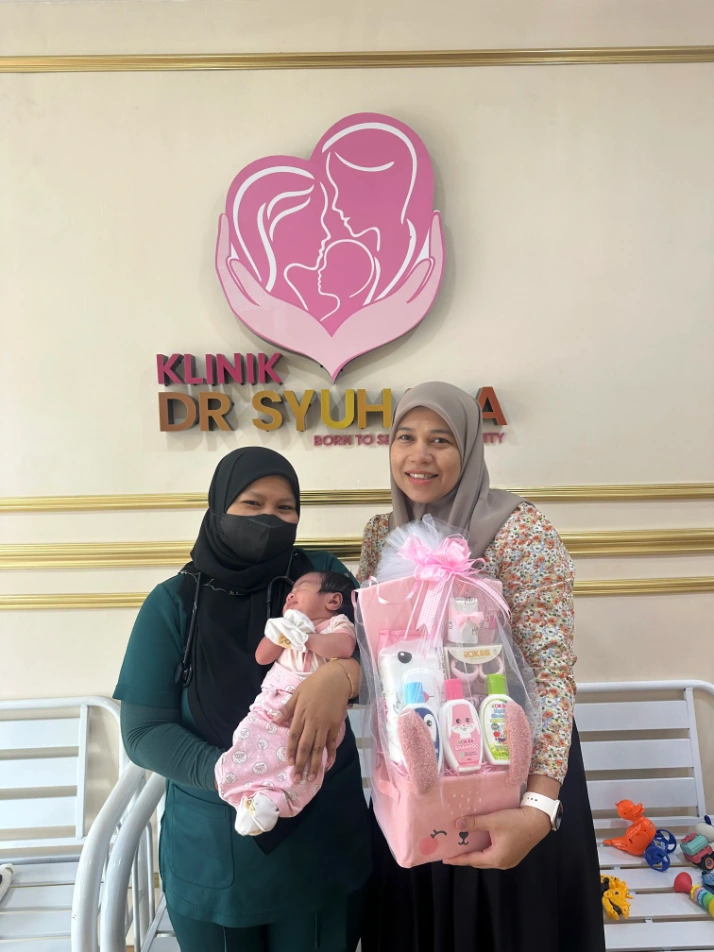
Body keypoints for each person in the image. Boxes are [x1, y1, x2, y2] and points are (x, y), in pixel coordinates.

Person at [358, 382, 605, 952]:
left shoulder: (520, 530)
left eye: (440, 440)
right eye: (405, 438)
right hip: (418, 777)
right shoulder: (381, 536)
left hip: (510, 776)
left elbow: (551, 674)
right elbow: (378, 658)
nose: (419, 455)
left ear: (470, 448)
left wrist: (539, 809)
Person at [114, 448, 370, 952]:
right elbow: (143, 732)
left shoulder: (321, 577)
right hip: (214, 846)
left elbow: (383, 662)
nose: (269, 520)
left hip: (323, 840)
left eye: (285, 508)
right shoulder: (174, 602)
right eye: (252, 504)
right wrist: (240, 777)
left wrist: (343, 675)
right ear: (218, 507)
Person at [216, 571, 357, 836]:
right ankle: (246, 794)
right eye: (289, 593)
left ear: (333, 601)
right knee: (248, 735)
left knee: (303, 759)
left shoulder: (336, 624)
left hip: (317, 714)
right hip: (274, 702)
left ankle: (275, 801)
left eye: (302, 587)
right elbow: (262, 657)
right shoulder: (285, 627)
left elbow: (344, 648)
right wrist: (281, 631)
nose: (290, 595)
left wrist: (306, 639)